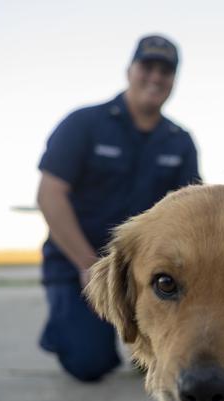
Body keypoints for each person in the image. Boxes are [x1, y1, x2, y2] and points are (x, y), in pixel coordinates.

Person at [36, 35, 200, 382]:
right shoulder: (83, 124)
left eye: (166, 71)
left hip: (142, 273)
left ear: (174, 81)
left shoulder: (180, 141)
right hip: (78, 263)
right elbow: (50, 195)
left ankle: (128, 325)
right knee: (89, 364)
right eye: (148, 67)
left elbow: (193, 211)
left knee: (154, 366)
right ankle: (65, 323)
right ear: (130, 70)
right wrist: (87, 265)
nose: (156, 77)